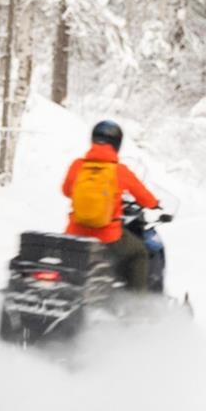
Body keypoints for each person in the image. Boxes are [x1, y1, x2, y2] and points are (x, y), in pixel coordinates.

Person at [62, 120, 160, 290]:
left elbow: (66, 190)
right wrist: (155, 204)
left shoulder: (78, 165)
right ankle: (137, 304)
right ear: (117, 144)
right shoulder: (119, 170)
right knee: (140, 253)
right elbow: (145, 197)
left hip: (75, 233)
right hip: (107, 237)